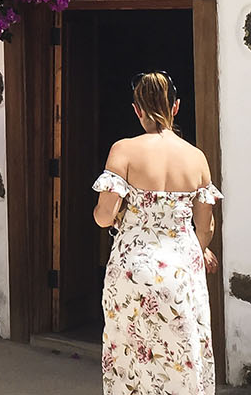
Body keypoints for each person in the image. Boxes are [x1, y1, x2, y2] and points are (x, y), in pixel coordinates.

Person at [91, 71, 221, 395]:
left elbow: (104, 217)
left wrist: (120, 215)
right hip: (181, 271)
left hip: (132, 269)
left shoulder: (123, 150)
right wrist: (198, 247)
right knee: (182, 356)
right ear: (176, 107)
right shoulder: (197, 158)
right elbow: (205, 227)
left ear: (137, 109)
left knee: (131, 359)